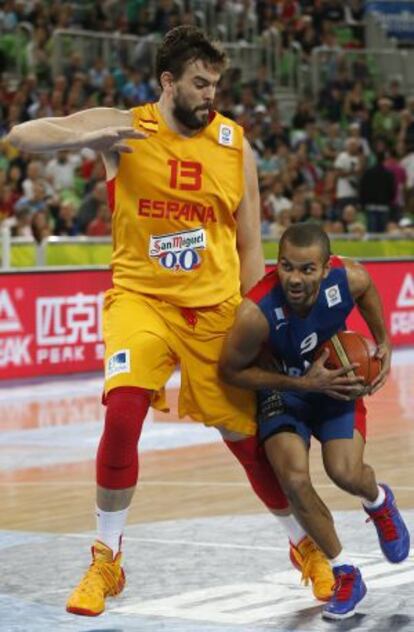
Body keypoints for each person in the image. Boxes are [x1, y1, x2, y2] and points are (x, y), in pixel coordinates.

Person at [6, 27, 334, 617]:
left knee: (245, 441)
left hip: (214, 310)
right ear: (168, 82)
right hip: (142, 301)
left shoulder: (237, 144)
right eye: (200, 83)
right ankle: (106, 559)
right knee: (124, 408)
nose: (211, 94)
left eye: (217, 84)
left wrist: (259, 322)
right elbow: (21, 135)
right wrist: (90, 137)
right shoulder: (126, 125)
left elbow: (251, 245)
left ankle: (303, 547)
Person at [219, 223, 410, 620]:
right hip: (283, 390)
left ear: (326, 269)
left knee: (344, 472)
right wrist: (300, 382)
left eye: (307, 269)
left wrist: (384, 340)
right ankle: (344, 573)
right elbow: (231, 370)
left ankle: (378, 501)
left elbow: (368, 287)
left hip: (335, 382)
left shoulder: (348, 277)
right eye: (287, 266)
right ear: (277, 264)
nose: (294, 277)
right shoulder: (256, 311)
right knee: (293, 480)